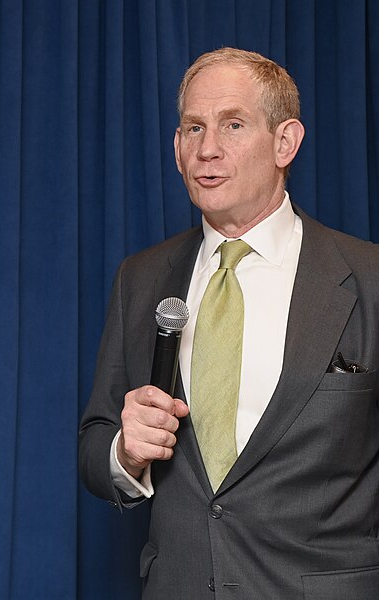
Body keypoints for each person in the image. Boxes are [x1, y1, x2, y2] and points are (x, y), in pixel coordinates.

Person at [79, 48, 379, 598]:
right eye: (193, 128)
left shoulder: (370, 278)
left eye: (232, 125)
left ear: (285, 142)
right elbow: (96, 446)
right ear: (175, 148)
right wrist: (125, 451)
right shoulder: (141, 278)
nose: (207, 149)